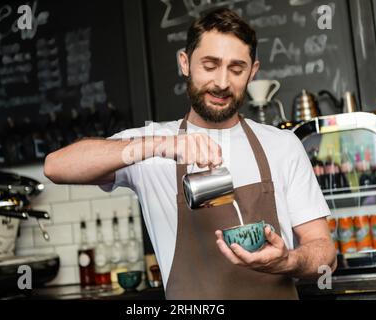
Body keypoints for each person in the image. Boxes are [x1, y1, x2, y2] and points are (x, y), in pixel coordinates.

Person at [44, 8, 337, 299]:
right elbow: (56, 166)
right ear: (184, 63)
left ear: (253, 72)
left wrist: (288, 261)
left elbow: (324, 253)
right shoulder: (151, 145)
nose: (222, 82)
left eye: (236, 69)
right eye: (209, 65)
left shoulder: (282, 145)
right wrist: (159, 145)